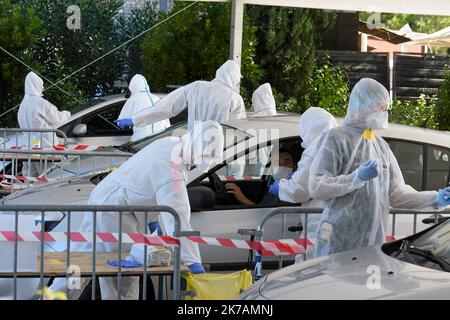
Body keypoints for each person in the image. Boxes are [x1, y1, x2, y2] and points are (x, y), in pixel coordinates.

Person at [50, 121, 224, 299]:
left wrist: (153, 219)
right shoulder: (170, 169)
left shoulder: (170, 143)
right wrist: (193, 261)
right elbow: (178, 217)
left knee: (83, 261)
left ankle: (53, 297)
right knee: (121, 278)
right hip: (116, 211)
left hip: (105, 197)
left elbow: (148, 186)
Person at [308, 78, 450, 257]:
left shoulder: (380, 146)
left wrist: (436, 199)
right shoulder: (336, 139)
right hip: (339, 238)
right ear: (363, 105)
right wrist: (356, 178)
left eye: (385, 108)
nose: (385, 113)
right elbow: (317, 186)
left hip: (373, 241)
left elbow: (397, 194)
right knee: (337, 283)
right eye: (381, 108)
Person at [277, 107, 337, 260]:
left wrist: (281, 187)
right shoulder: (340, 143)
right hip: (338, 218)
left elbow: (299, 190)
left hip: (320, 222)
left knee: (307, 271)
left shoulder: (317, 148)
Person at [116, 60, 246, 131]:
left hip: (193, 150)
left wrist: (134, 120)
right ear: (235, 78)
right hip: (220, 156)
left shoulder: (197, 87)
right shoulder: (235, 99)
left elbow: (166, 107)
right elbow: (240, 131)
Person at [18, 71, 71, 176]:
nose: (42, 88)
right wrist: (67, 114)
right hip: (44, 148)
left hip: (28, 148)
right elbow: (57, 119)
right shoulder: (40, 103)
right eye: (41, 85)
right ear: (36, 85)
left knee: (31, 179)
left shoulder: (23, 105)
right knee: (47, 177)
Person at [226, 149, 295, 205]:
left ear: (294, 167)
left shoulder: (292, 190)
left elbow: (266, 214)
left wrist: (242, 198)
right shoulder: (273, 186)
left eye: (287, 163)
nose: (281, 166)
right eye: (277, 163)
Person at [116, 74, 170, 141]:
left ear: (132, 86)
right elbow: (167, 122)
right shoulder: (157, 98)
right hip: (159, 139)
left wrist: (126, 123)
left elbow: (121, 122)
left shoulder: (133, 99)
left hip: (141, 141)